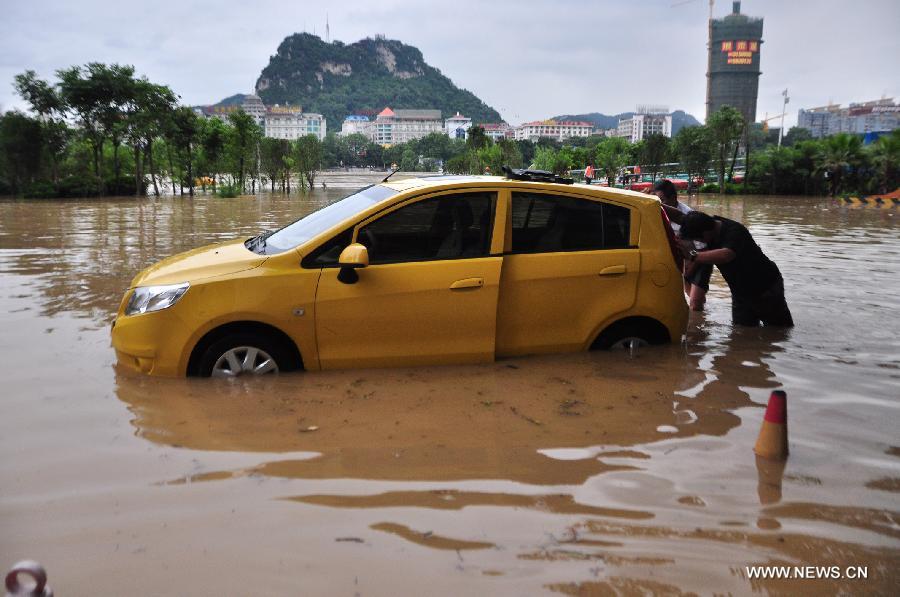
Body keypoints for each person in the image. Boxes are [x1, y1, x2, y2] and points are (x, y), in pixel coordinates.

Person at [679, 211, 793, 327]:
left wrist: (692, 255)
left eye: (699, 239)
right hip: (740, 292)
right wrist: (660, 207)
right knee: (742, 332)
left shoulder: (735, 231)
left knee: (779, 330)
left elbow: (726, 255)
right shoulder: (708, 223)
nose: (701, 243)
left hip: (766, 288)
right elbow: (678, 215)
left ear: (706, 233)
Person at [652, 179, 711, 311]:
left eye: (661, 200)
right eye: (655, 199)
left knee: (695, 303)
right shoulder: (654, 211)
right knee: (687, 296)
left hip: (700, 258)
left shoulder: (687, 216)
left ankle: (699, 318)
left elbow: (702, 247)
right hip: (680, 259)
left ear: (673, 198)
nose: (659, 204)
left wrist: (687, 271)